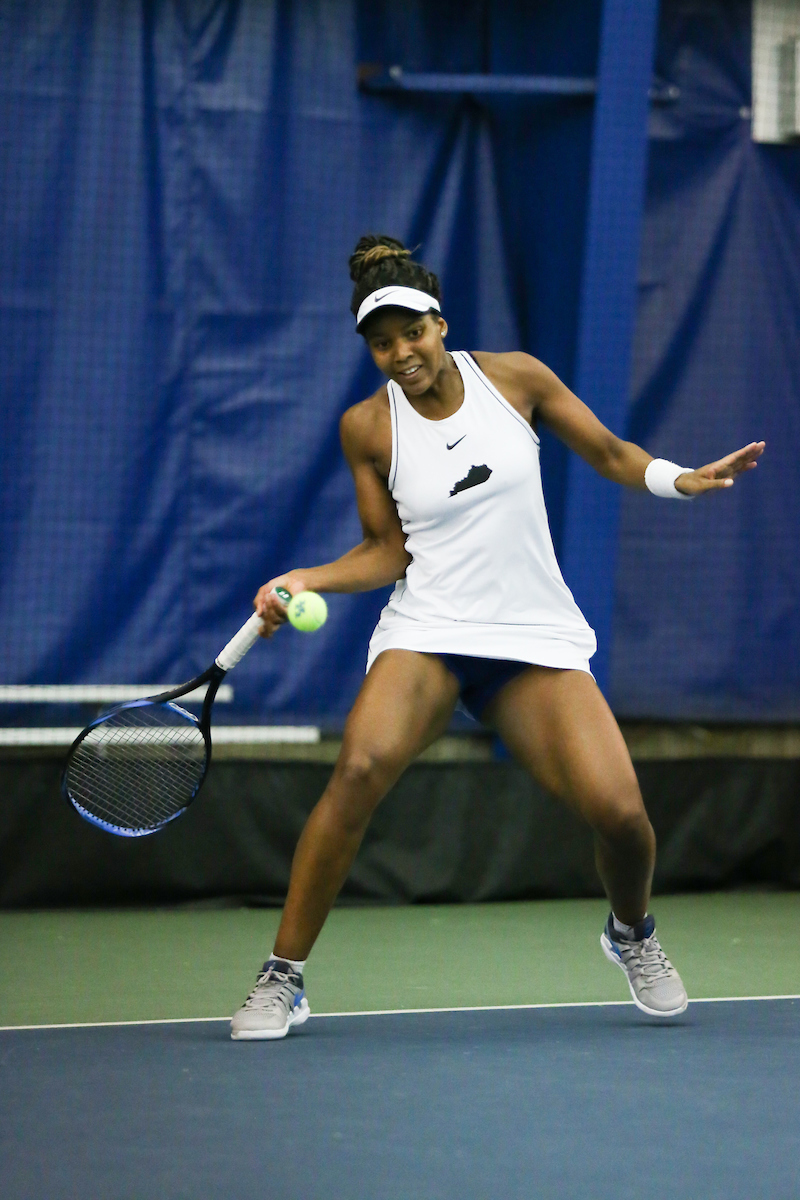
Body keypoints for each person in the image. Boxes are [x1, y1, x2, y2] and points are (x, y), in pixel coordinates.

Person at [230, 235, 765, 1040]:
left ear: (439, 324)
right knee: (360, 767)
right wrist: (305, 578)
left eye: (412, 332)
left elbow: (612, 453)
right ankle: (283, 978)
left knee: (621, 817)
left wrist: (681, 480)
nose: (401, 352)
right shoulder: (367, 429)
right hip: (431, 628)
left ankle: (632, 936)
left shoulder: (515, 378)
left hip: (532, 636)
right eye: (382, 342)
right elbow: (388, 551)